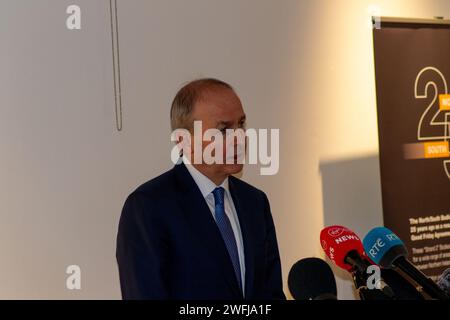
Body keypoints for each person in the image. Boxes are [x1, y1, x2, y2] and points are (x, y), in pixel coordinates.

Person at [116, 78, 285, 299]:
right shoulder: (148, 207)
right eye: (224, 130)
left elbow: (271, 295)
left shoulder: (255, 202)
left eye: (241, 124)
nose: (240, 138)